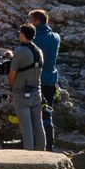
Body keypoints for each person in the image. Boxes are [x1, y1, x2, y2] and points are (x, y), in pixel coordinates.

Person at [8, 24, 45, 151]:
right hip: (36, 91)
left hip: (21, 92)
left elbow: (12, 73)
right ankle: (42, 152)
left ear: (23, 35)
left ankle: (29, 155)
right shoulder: (39, 51)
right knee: (38, 124)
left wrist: (11, 87)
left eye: (20, 33)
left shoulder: (19, 51)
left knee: (26, 126)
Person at [29, 10, 60, 152]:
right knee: (48, 115)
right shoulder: (56, 37)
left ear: (36, 22)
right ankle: (50, 147)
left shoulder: (33, 40)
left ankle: (35, 147)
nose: (28, 22)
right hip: (51, 81)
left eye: (30, 20)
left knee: (32, 116)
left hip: (36, 82)